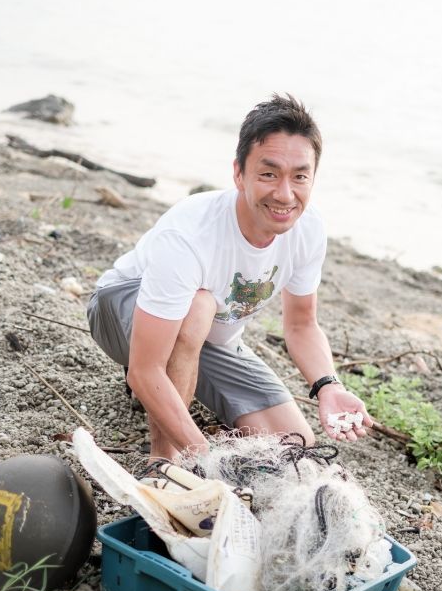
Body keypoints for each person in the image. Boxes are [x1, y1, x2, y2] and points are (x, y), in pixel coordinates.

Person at [87, 94, 371, 464]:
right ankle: (163, 461)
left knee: (295, 447)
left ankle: (180, 385)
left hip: (211, 338)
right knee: (198, 306)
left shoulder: (309, 228)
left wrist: (328, 386)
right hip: (122, 311)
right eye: (268, 174)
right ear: (238, 173)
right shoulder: (191, 232)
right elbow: (145, 370)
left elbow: (301, 326)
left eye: (300, 176)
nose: (285, 194)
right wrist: (203, 458)